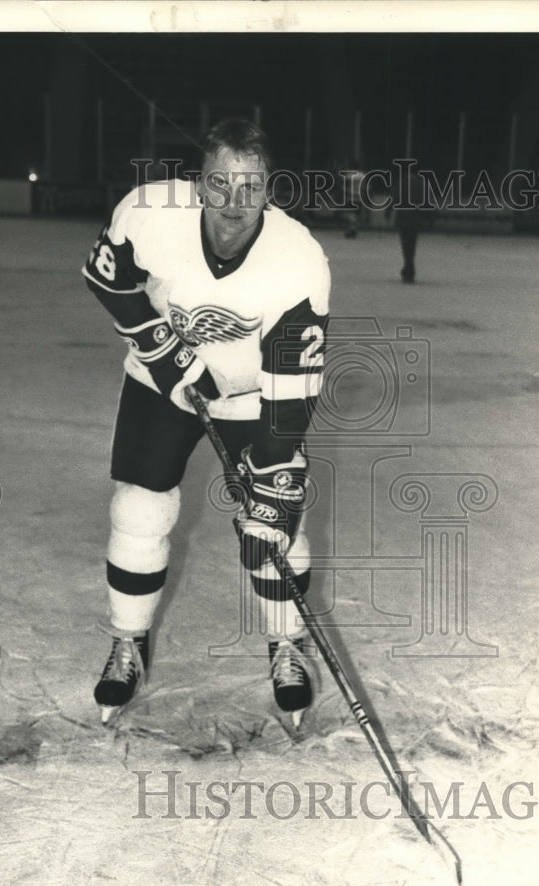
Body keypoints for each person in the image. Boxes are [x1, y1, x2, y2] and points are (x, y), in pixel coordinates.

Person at [81, 119, 331, 727]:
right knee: (140, 510)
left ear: (269, 190)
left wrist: (272, 471)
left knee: (273, 526)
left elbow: (292, 388)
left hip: (253, 394)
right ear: (199, 183)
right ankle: (129, 639)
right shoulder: (151, 212)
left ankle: (286, 644)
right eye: (220, 183)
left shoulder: (298, 260)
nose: (234, 203)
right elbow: (107, 277)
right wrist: (165, 352)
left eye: (251, 187)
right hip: (159, 387)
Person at [392, 163, 425, 283]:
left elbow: (394, 198)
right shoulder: (421, 184)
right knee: (412, 244)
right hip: (415, 218)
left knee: (405, 245)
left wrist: (388, 211)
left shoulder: (402, 183)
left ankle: (408, 267)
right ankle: (409, 268)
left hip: (403, 218)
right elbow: (426, 202)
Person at [340, 158, 366, 238]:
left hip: (350, 196)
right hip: (359, 197)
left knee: (349, 213)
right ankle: (354, 229)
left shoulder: (349, 175)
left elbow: (345, 186)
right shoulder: (362, 175)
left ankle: (351, 229)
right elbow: (364, 187)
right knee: (356, 214)